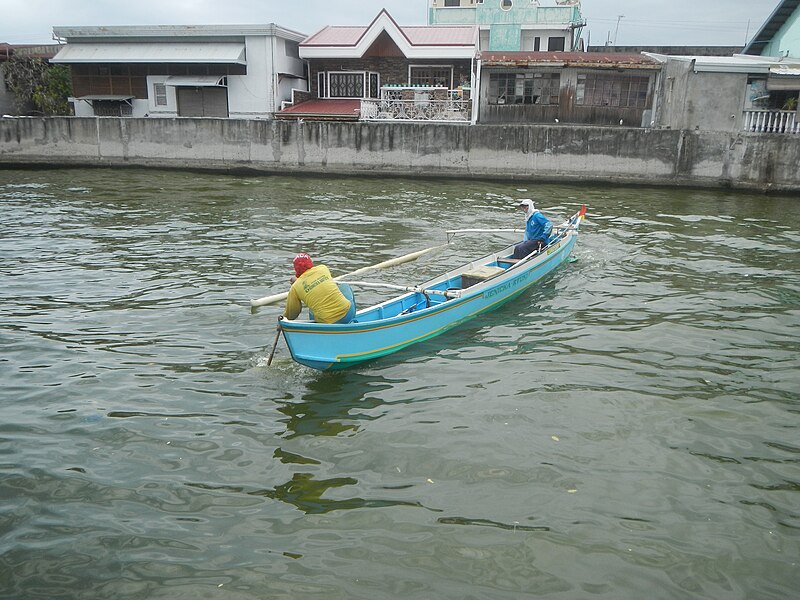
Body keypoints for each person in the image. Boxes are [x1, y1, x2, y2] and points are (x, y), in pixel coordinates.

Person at [282, 253, 356, 324]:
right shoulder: (323, 268)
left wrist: (283, 320)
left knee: (312, 306)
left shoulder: (295, 287)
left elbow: (293, 313)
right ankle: (352, 320)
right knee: (344, 285)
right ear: (310, 262)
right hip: (347, 315)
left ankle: (317, 327)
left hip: (325, 322)